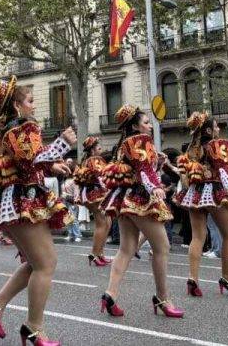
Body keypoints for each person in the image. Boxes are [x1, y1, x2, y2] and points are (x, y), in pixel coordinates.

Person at [0, 75, 75, 345]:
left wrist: (52, 165)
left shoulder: (10, 128)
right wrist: (63, 144)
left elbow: (26, 162)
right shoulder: (21, 127)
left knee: (36, 264)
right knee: (46, 264)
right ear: (17, 105)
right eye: (30, 101)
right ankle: (33, 328)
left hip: (16, 200)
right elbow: (31, 158)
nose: (34, 106)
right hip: (22, 201)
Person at [100, 104, 183, 319]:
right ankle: (163, 298)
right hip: (141, 199)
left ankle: (110, 293)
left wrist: (158, 165)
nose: (149, 126)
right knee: (162, 247)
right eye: (146, 123)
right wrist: (155, 187)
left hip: (124, 200)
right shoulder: (141, 141)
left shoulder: (123, 144)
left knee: (126, 249)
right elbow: (143, 171)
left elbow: (141, 168)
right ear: (135, 126)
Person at [174, 112, 228, 298]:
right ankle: (227, 279)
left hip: (195, 192)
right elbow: (222, 169)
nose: (219, 129)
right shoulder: (216, 145)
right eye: (216, 126)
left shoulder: (191, 149)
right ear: (208, 129)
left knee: (197, 237)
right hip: (215, 191)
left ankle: (193, 278)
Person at [73, 136, 111, 264]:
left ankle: (100, 253)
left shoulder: (87, 161)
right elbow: (101, 175)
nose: (101, 148)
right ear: (93, 150)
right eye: (98, 147)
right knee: (102, 223)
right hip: (94, 194)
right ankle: (94, 254)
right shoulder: (95, 160)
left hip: (91, 193)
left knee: (108, 222)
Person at [62, 161, 82, 242]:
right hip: (65, 201)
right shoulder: (66, 180)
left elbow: (76, 192)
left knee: (74, 219)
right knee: (68, 219)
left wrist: (75, 201)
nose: (65, 172)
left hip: (72, 201)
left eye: (66, 170)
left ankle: (77, 235)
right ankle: (70, 234)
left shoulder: (74, 181)